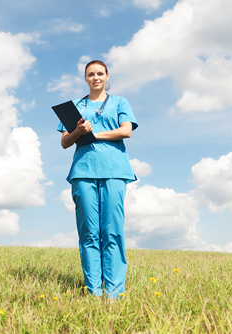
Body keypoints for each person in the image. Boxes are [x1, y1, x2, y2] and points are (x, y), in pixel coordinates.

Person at [58, 60, 138, 300]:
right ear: (85, 78)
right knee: (89, 233)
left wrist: (91, 135)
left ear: (106, 76)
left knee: (112, 231)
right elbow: (64, 142)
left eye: (100, 74)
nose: (96, 78)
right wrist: (78, 132)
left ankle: (113, 295)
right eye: (91, 74)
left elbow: (126, 131)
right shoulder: (75, 106)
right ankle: (93, 292)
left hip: (114, 170)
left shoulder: (119, 102)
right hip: (83, 172)